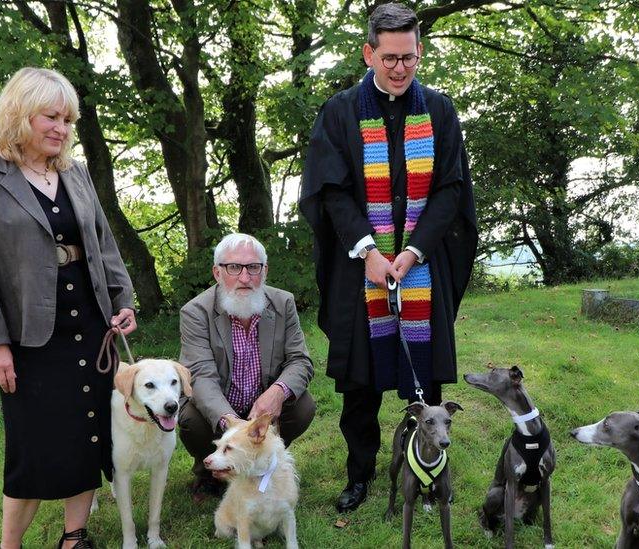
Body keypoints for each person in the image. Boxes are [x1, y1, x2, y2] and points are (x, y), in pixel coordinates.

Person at [299, 3, 478, 512]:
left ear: (419, 52)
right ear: (369, 53)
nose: (400, 67)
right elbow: (331, 191)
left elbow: (450, 190)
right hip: (361, 269)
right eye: (389, 57)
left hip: (424, 265)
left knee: (428, 380)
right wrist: (369, 252)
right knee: (360, 384)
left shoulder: (440, 112)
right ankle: (360, 474)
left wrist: (415, 249)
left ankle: (428, 473)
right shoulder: (340, 111)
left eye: (409, 57)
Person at [0, 67, 137, 549]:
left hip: (92, 325)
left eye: (68, 119)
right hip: (29, 336)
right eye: (50, 116)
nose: (62, 128)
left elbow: (103, 243)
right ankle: (9, 546)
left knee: (91, 434)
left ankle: (75, 537)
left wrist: (122, 300)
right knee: (32, 448)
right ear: (19, 114)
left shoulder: (75, 173)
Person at [178, 233, 316, 502]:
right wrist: (231, 423)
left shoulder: (283, 303)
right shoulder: (195, 312)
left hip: (262, 408)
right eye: (234, 268)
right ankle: (208, 474)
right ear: (217, 272)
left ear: (264, 271)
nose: (245, 278)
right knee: (191, 420)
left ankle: (263, 463)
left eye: (253, 267)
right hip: (220, 408)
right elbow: (201, 377)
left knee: (303, 406)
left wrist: (277, 392)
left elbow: (300, 360)